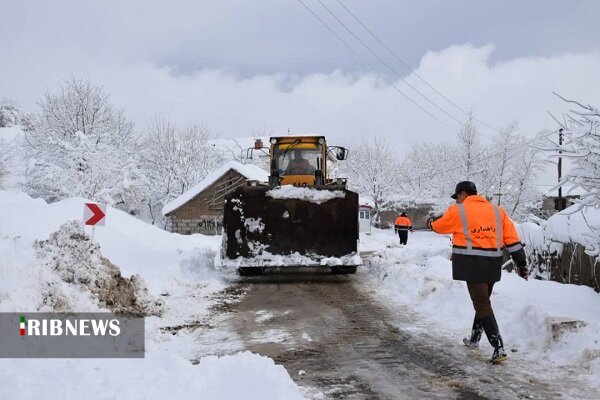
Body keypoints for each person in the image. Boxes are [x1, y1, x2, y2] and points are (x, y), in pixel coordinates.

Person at [426, 181, 529, 364]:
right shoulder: (498, 211)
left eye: (457, 197)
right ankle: (474, 339)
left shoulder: (458, 211)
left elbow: (440, 227)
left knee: (481, 303)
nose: (457, 200)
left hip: (471, 263)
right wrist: (521, 264)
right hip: (492, 264)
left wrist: (430, 223)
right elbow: (512, 240)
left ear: (463, 194)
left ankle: (499, 348)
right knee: (483, 302)